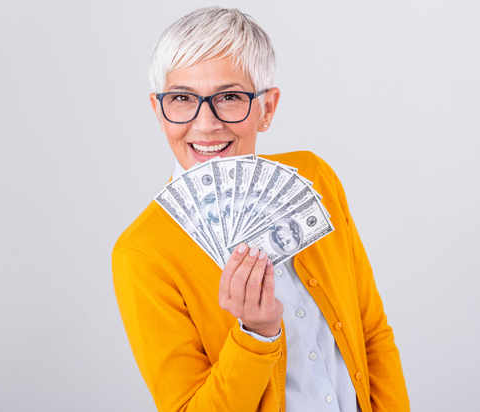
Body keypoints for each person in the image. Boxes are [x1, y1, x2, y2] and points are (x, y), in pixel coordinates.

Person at [112, 6, 409, 412]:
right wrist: (255, 335)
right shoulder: (144, 253)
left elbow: (371, 332)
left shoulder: (315, 179)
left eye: (229, 97)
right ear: (159, 112)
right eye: (182, 98)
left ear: (267, 108)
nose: (205, 124)